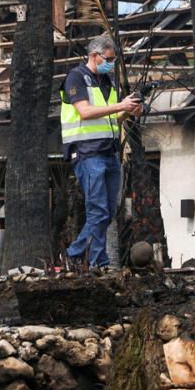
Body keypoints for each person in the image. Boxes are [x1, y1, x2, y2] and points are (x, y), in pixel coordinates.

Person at [60, 35, 142, 267]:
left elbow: (113, 117)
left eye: (113, 59)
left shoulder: (107, 81)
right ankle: (99, 262)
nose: (110, 63)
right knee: (97, 210)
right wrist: (120, 105)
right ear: (93, 56)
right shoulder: (76, 77)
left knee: (106, 212)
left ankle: (75, 254)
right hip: (87, 152)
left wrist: (130, 110)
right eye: (107, 59)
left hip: (108, 152)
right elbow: (85, 112)